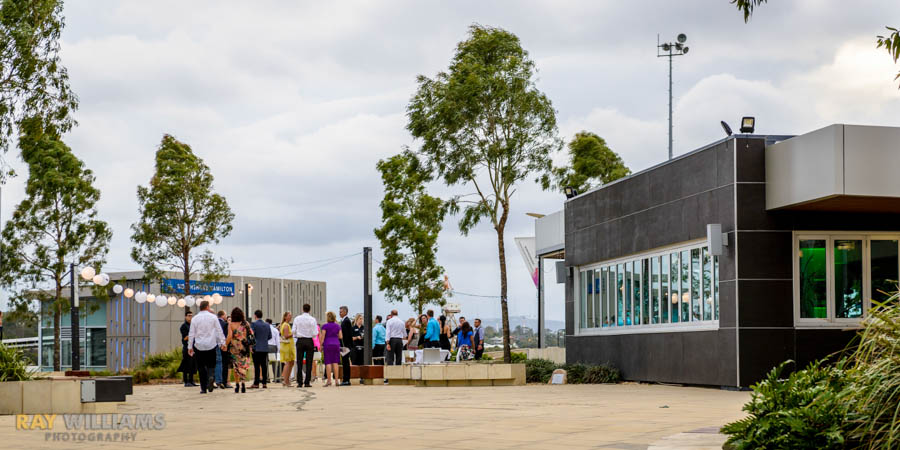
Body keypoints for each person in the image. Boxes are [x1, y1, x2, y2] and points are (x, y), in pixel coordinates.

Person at [187, 300, 227, 394]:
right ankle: (211, 377)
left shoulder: (195, 318)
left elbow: (191, 333)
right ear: (208, 307)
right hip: (211, 345)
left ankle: (203, 388)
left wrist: (190, 346)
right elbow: (219, 331)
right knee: (211, 365)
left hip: (199, 346)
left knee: (201, 367)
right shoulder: (213, 317)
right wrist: (223, 343)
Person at [226, 307, 253, 393]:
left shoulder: (230, 324)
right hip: (244, 348)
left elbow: (229, 336)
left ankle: (237, 385)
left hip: (234, 348)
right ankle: (243, 384)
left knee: (236, 367)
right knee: (243, 366)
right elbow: (251, 335)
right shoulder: (246, 324)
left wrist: (225, 345)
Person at [292, 303, 317, 388]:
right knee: (309, 362)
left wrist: (297, 335)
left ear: (302, 309)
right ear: (309, 310)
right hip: (309, 340)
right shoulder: (312, 319)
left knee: (299, 361)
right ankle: (307, 382)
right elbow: (315, 333)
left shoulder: (297, 318)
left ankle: (299, 382)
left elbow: (293, 331)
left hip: (300, 340)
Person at [319, 311, 343, 387]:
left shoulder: (324, 326)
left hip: (327, 344)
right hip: (336, 344)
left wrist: (321, 346)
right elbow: (340, 336)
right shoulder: (338, 326)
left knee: (328, 362)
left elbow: (322, 337)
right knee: (335, 362)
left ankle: (329, 380)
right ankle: (336, 380)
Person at [249, 310, 271, 389]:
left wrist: (250, 345)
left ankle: (256, 383)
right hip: (264, 347)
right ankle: (264, 383)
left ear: (255, 316)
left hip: (256, 347)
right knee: (264, 365)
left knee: (257, 366)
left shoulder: (254, 324)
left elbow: (251, 335)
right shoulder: (267, 325)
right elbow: (270, 336)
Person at [178, 311, 197, 387]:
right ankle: (186, 381)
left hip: (194, 347)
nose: (190, 317)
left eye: (191, 316)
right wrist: (192, 334)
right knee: (186, 364)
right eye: (189, 316)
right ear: (185, 317)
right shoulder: (183, 326)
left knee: (192, 364)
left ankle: (191, 380)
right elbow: (185, 338)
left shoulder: (193, 325)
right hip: (186, 347)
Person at [214, 310, 231, 389]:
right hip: (223, 346)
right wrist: (225, 345)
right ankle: (224, 381)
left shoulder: (214, 323)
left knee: (215, 363)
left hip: (214, 345)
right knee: (224, 364)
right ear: (223, 315)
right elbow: (227, 335)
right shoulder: (225, 324)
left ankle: (215, 380)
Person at [279, 311, 295, 387]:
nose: (290, 317)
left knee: (291, 363)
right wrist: (293, 333)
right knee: (288, 363)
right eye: (289, 315)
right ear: (285, 317)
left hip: (288, 346)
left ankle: (287, 380)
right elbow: (286, 336)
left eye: (291, 315)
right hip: (287, 346)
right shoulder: (285, 325)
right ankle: (285, 380)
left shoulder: (286, 325)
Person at [339, 306, 353, 386]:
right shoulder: (343, 321)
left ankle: (346, 380)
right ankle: (345, 379)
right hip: (343, 345)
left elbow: (347, 335)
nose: (339, 313)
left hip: (345, 345)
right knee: (344, 362)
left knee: (346, 362)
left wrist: (346, 346)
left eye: (341, 312)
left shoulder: (346, 321)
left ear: (345, 312)